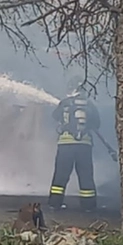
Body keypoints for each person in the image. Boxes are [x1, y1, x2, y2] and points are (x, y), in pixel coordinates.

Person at [48, 81, 100, 211]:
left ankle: (55, 203)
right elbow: (97, 124)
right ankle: (89, 206)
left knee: (61, 174)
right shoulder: (90, 105)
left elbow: (55, 116)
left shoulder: (65, 102)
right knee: (86, 175)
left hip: (65, 144)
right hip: (84, 145)